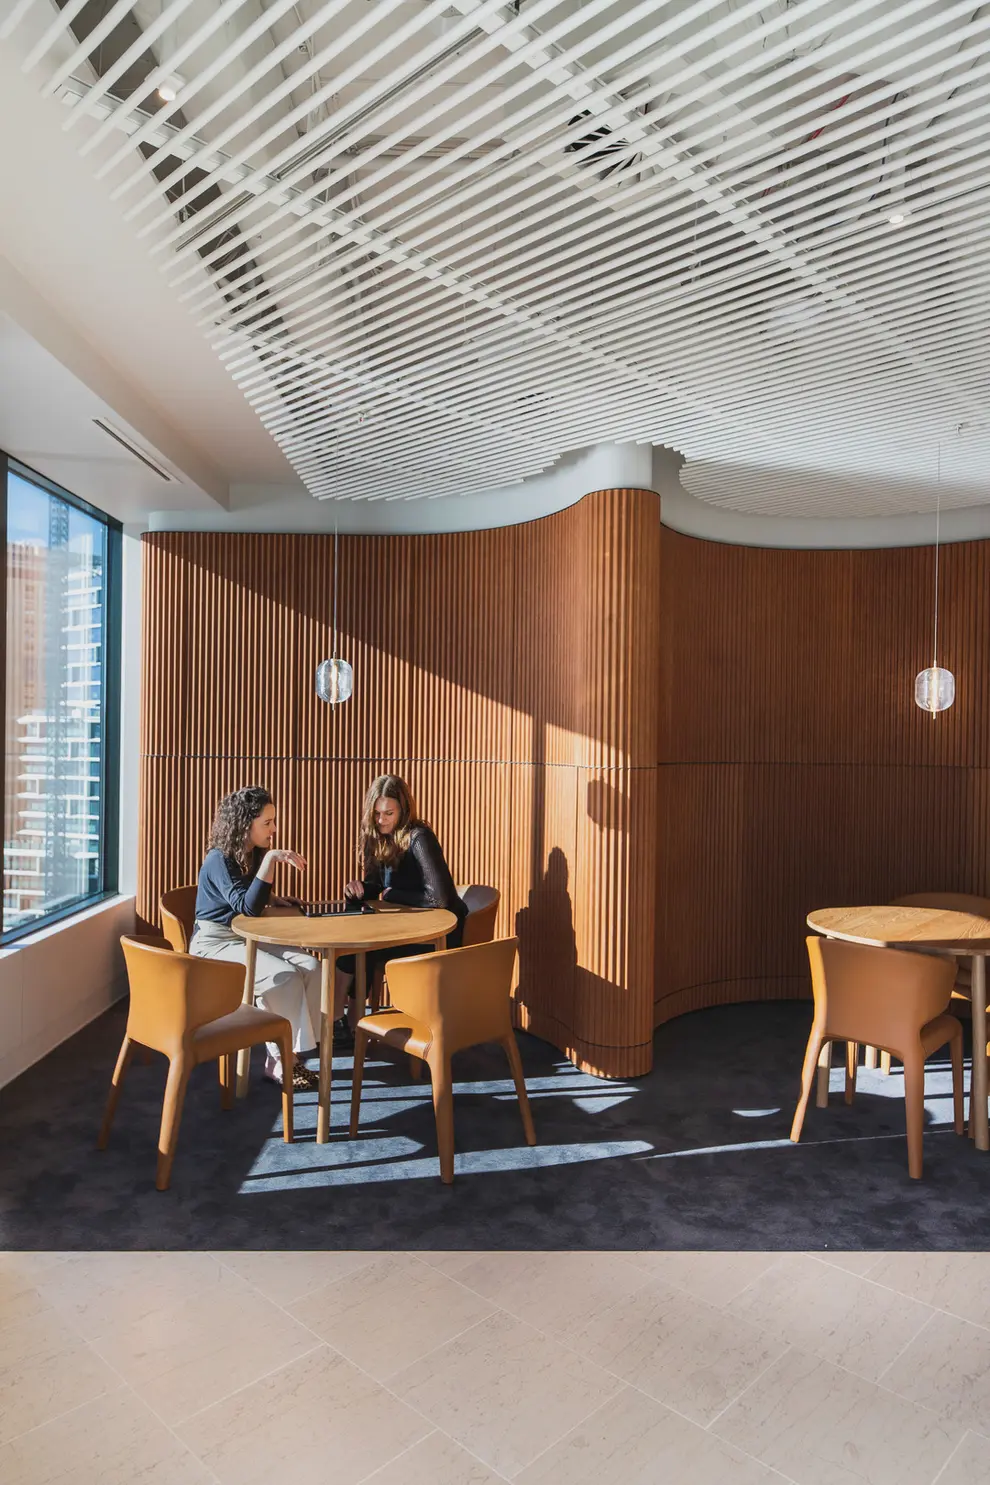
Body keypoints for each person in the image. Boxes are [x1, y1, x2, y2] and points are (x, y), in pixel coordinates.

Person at [189, 786, 327, 1090]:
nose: (274, 829)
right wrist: (272, 860)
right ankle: (281, 1058)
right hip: (215, 943)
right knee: (285, 977)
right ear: (245, 824)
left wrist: (274, 899)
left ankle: (292, 1052)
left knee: (313, 968)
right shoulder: (218, 859)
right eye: (267, 823)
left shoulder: (252, 852)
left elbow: (247, 896)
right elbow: (247, 907)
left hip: (245, 935)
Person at [336, 775, 467, 1021]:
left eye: (389, 813)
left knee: (364, 947)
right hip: (408, 928)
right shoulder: (378, 836)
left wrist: (394, 894)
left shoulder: (419, 838)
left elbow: (440, 899)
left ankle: (348, 1019)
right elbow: (376, 885)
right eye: (376, 813)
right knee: (354, 939)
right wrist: (357, 888)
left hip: (437, 935)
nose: (381, 820)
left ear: (403, 810)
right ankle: (342, 1017)